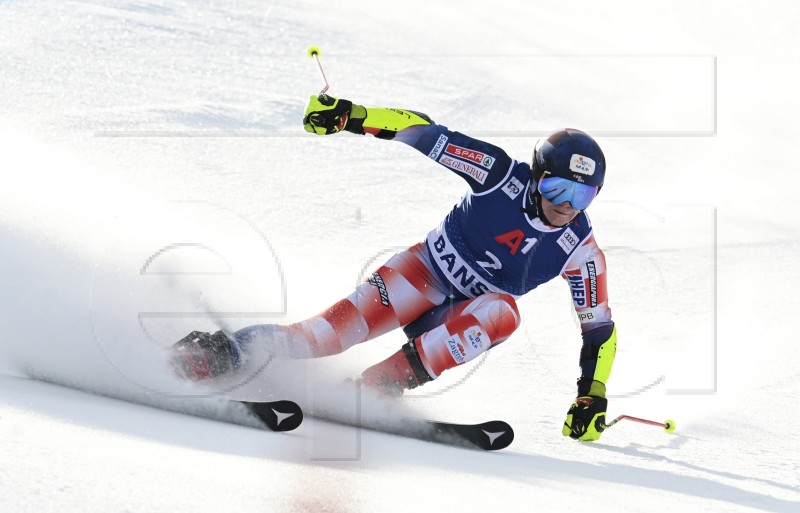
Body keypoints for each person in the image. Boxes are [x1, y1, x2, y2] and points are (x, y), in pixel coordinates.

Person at [171, 94, 618, 442]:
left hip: (457, 317)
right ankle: (218, 353)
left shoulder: (579, 248)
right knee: (321, 337)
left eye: (581, 197)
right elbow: (424, 133)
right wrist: (351, 115)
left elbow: (598, 330)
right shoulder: (498, 175)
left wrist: (591, 395)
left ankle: (378, 386)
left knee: (504, 314)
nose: (565, 206)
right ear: (538, 175)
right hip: (420, 277)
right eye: (559, 189)